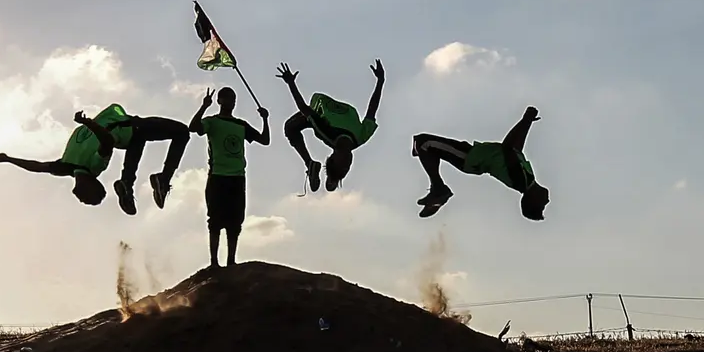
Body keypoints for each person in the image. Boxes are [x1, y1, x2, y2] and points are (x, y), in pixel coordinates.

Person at [0, 103, 190, 215]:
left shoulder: (65, 168)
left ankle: (128, 183)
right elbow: (106, 140)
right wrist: (87, 122)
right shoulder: (94, 167)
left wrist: (9, 159)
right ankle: (157, 179)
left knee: (136, 143)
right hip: (128, 127)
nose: (79, 198)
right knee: (181, 132)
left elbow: (37, 166)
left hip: (128, 134)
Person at [411, 106, 551, 220]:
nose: (547, 202)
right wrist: (526, 122)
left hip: (469, 158)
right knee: (425, 147)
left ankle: (439, 189)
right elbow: (515, 149)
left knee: (423, 143)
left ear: (533, 200)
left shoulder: (520, 180)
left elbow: (507, 147)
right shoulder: (528, 178)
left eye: (542, 205)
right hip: (472, 154)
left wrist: (526, 120)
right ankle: (437, 190)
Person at [189, 86, 270, 269]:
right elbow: (193, 127)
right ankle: (214, 262)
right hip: (218, 175)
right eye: (225, 98)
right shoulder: (212, 121)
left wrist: (265, 119)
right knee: (215, 220)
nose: (229, 102)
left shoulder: (240, 125)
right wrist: (203, 106)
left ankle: (231, 260)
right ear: (219, 101)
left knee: (235, 221)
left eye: (232, 98)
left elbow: (264, 140)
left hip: (237, 177)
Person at [275, 60, 384, 193]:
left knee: (289, 127)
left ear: (333, 155)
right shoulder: (361, 137)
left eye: (343, 164)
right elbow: (372, 109)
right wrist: (380, 81)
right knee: (299, 123)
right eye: (348, 167)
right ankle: (326, 175)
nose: (348, 163)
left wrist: (291, 83)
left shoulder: (326, 132)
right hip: (337, 110)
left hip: (319, 110)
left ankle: (311, 164)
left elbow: (303, 107)